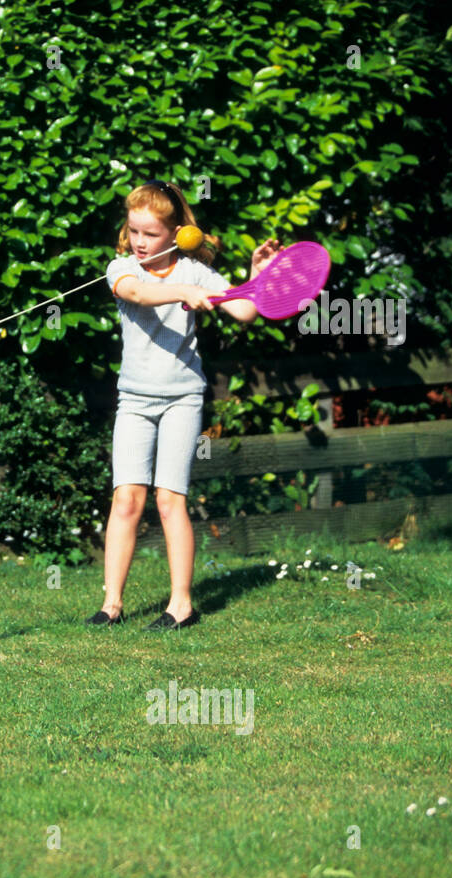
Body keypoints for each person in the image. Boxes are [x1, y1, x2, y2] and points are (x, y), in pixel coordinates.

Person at [85, 179, 278, 630]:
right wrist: (181, 294)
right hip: (133, 399)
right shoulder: (121, 268)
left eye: (150, 234)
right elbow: (137, 294)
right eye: (134, 231)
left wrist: (258, 276)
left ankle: (181, 606)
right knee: (125, 499)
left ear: (176, 233)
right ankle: (111, 604)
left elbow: (245, 312)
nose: (139, 241)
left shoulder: (196, 272)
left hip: (182, 400)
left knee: (170, 500)